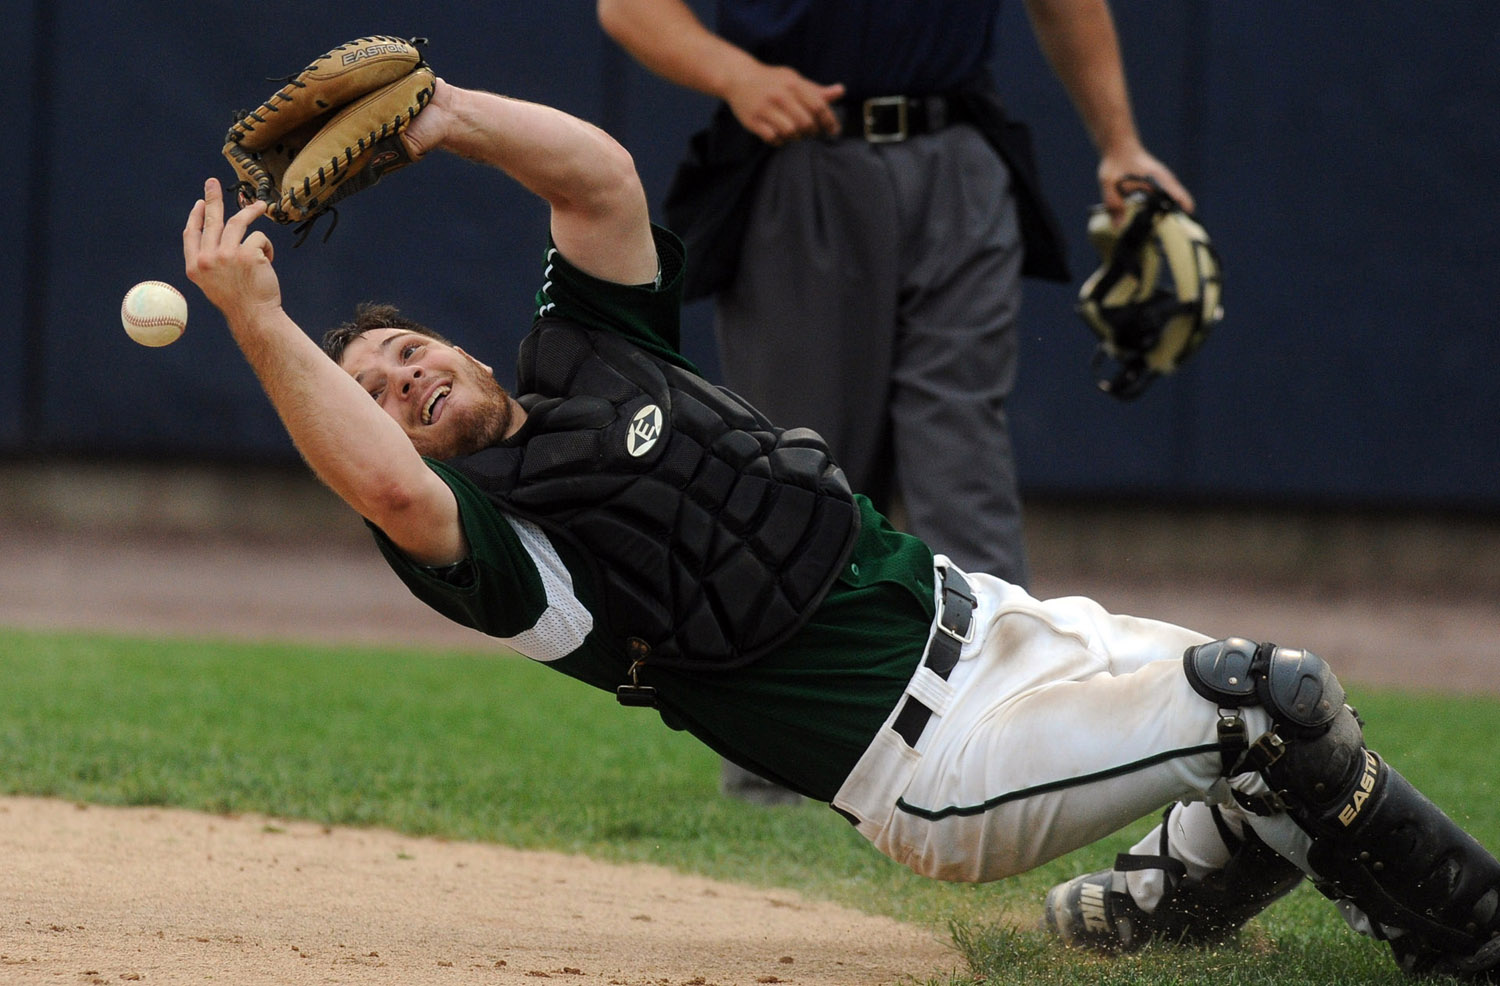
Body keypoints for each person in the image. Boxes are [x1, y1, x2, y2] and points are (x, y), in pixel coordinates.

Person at [184, 78, 1500, 981]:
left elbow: (603, 183)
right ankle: (1470, 933)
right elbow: (394, 493)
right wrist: (261, 320)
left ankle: (1155, 904)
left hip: (1016, 629)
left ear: (456, 341)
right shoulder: (493, 548)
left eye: (405, 350)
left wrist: (446, 116)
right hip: (940, 763)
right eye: (376, 394)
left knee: (1301, 726)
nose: (404, 378)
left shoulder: (587, 353)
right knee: (1267, 698)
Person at [596, 0, 1197, 804]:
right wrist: (735, 74)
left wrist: (1119, 142)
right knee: (797, 471)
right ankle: (781, 765)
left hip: (960, 154)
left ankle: (1022, 743)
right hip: (800, 155)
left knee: (964, 457)